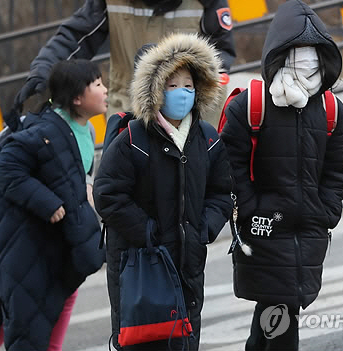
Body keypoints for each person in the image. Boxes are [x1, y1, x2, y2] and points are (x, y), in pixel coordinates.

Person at [220, 1, 343, 350]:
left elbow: (338, 170)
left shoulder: (332, 111)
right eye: (298, 51)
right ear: (278, 54)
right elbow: (230, 165)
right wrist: (252, 210)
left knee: (275, 314)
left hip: (308, 229)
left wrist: (326, 211)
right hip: (266, 227)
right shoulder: (248, 107)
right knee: (281, 313)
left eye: (314, 52)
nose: (307, 60)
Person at [93, 33, 233, 350]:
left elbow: (222, 192)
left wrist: (203, 229)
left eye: (188, 85)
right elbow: (108, 195)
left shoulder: (207, 137)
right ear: (154, 89)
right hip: (141, 265)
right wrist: (149, 232)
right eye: (171, 86)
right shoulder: (131, 140)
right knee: (146, 344)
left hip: (189, 261)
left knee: (185, 341)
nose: (181, 93)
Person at [0, 59, 105, 351]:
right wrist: (47, 202)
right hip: (24, 243)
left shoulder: (88, 132)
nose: (106, 90)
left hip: (53, 244)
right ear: (77, 98)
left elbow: (69, 176)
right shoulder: (47, 129)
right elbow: (7, 167)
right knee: (19, 327)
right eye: (97, 84)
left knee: (37, 320)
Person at [9, 0, 236, 131]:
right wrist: (42, 72)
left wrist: (196, 92)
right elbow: (76, 37)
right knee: (123, 191)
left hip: (189, 109)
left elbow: (221, 50)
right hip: (128, 106)